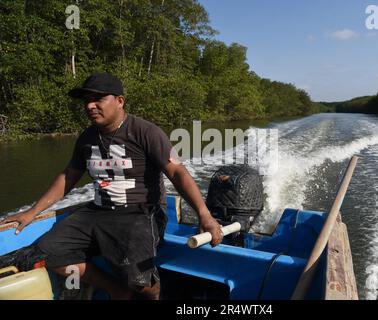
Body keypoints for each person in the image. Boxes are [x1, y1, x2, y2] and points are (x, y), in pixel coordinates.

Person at [0, 72, 223, 300]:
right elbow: (68, 177)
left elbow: (177, 171)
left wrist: (204, 215)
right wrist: (31, 212)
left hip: (141, 212)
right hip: (97, 211)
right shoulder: (87, 137)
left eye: (98, 99)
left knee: (140, 280)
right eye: (86, 100)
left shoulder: (146, 132)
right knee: (48, 252)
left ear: (119, 101)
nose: (90, 105)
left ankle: (154, 295)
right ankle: (116, 289)